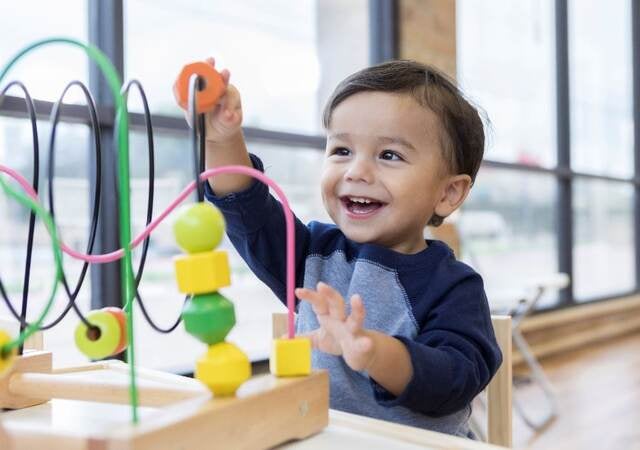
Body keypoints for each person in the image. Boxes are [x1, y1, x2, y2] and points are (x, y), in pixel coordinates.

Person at [198, 58, 502, 438]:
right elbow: (247, 208)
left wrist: (374, 352)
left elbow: (455, 380)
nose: (356, 171)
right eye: (341, 150)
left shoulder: (454, 286)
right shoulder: (311, 254)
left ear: (448, 192)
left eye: (389, 155)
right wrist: (222, 139)